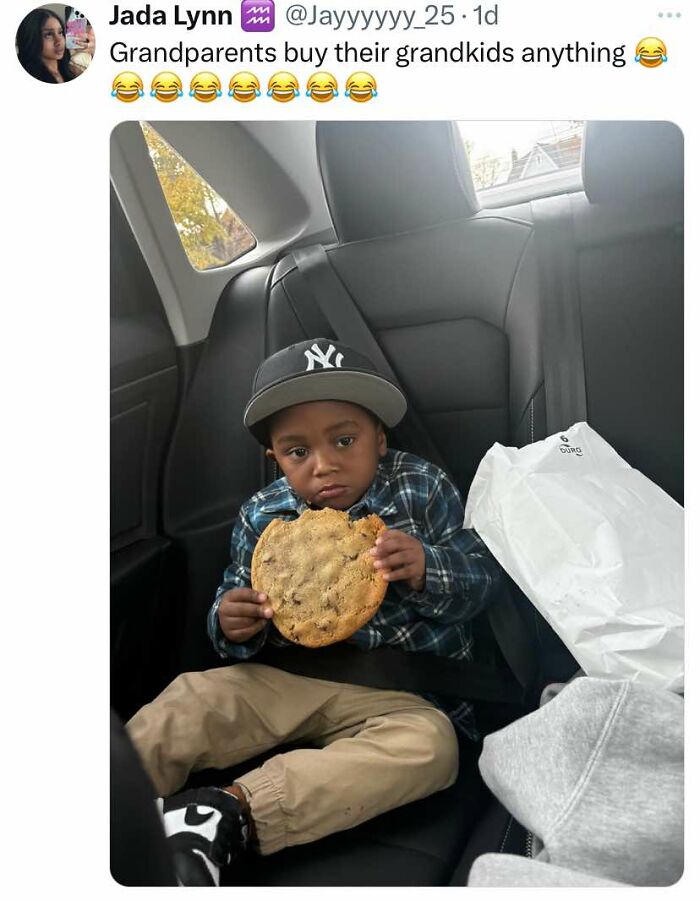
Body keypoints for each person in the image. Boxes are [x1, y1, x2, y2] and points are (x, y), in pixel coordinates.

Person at [126, 338, 503, 886]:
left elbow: (484, 583)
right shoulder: (265, 516)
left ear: (379, 437)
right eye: (297, 452)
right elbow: (233, 606)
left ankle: (226, 814)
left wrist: (426, 566)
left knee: (431, 750)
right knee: (194, 697)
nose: (324, 465)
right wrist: (233, 623)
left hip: (407, 692)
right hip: (289, 676)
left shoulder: (420, 486)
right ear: (274, 458)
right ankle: (110, 806)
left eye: (345, 440)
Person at [16, 8, 75, 84]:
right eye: (49, 34)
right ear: (31, 38)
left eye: (60, 32)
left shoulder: (71, 70)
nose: (59, 41)